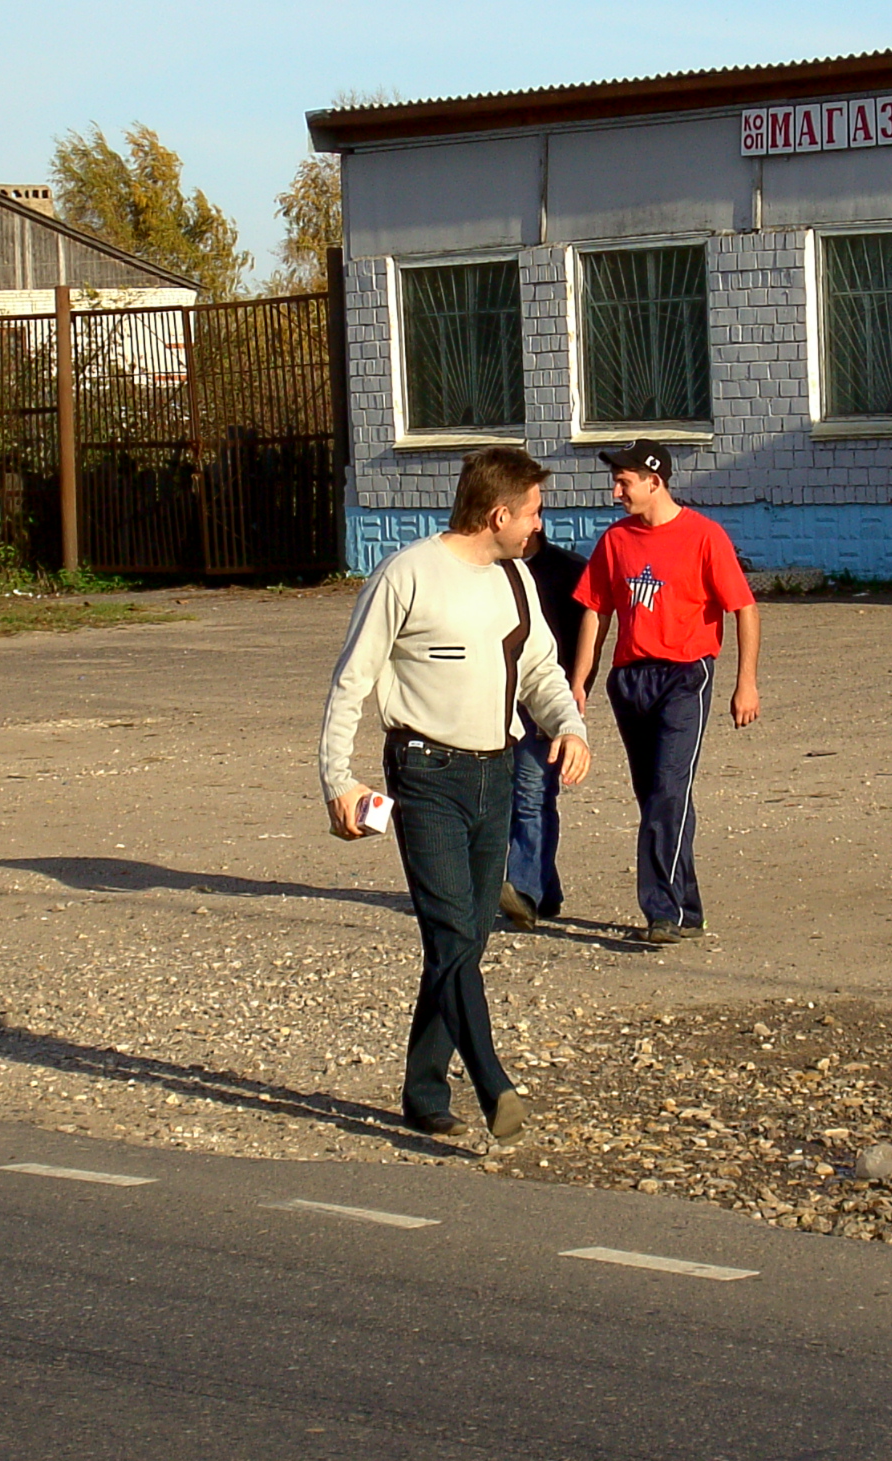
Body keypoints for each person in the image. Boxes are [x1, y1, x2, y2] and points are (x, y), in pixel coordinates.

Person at [320, 447, 591, 1144]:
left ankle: (422, 1091)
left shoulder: (517, 580)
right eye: (532, 512)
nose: (539, 524)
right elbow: (352, 679)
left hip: (495, 774)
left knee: (465, 940)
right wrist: (338, 780)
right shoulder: (407, 574)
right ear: (498, 514)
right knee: (450, 933)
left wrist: (570, 726)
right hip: (426, 775)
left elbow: (540, 669)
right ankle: (494, 1085)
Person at [569, 441, 759, 945]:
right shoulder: (615, 540)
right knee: (655, 796)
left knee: (668, 792)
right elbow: (596, 611)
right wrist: (579, 682)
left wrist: (746, 682)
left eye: (624, 482)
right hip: (631, 680)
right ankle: (688, 908)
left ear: (654, 482)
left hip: (685, 676)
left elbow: (744, 608)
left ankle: (661, 910)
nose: (616, 491)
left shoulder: (704, 536)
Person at [500, 527, 590, 932]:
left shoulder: (567, 571)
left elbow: (586, 636)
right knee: (508, 796)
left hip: (545, 699)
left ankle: (524, 892)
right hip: (497, 700)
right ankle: (543, 889)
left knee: (532, 794)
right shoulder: (488, 569)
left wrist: (574, 694)